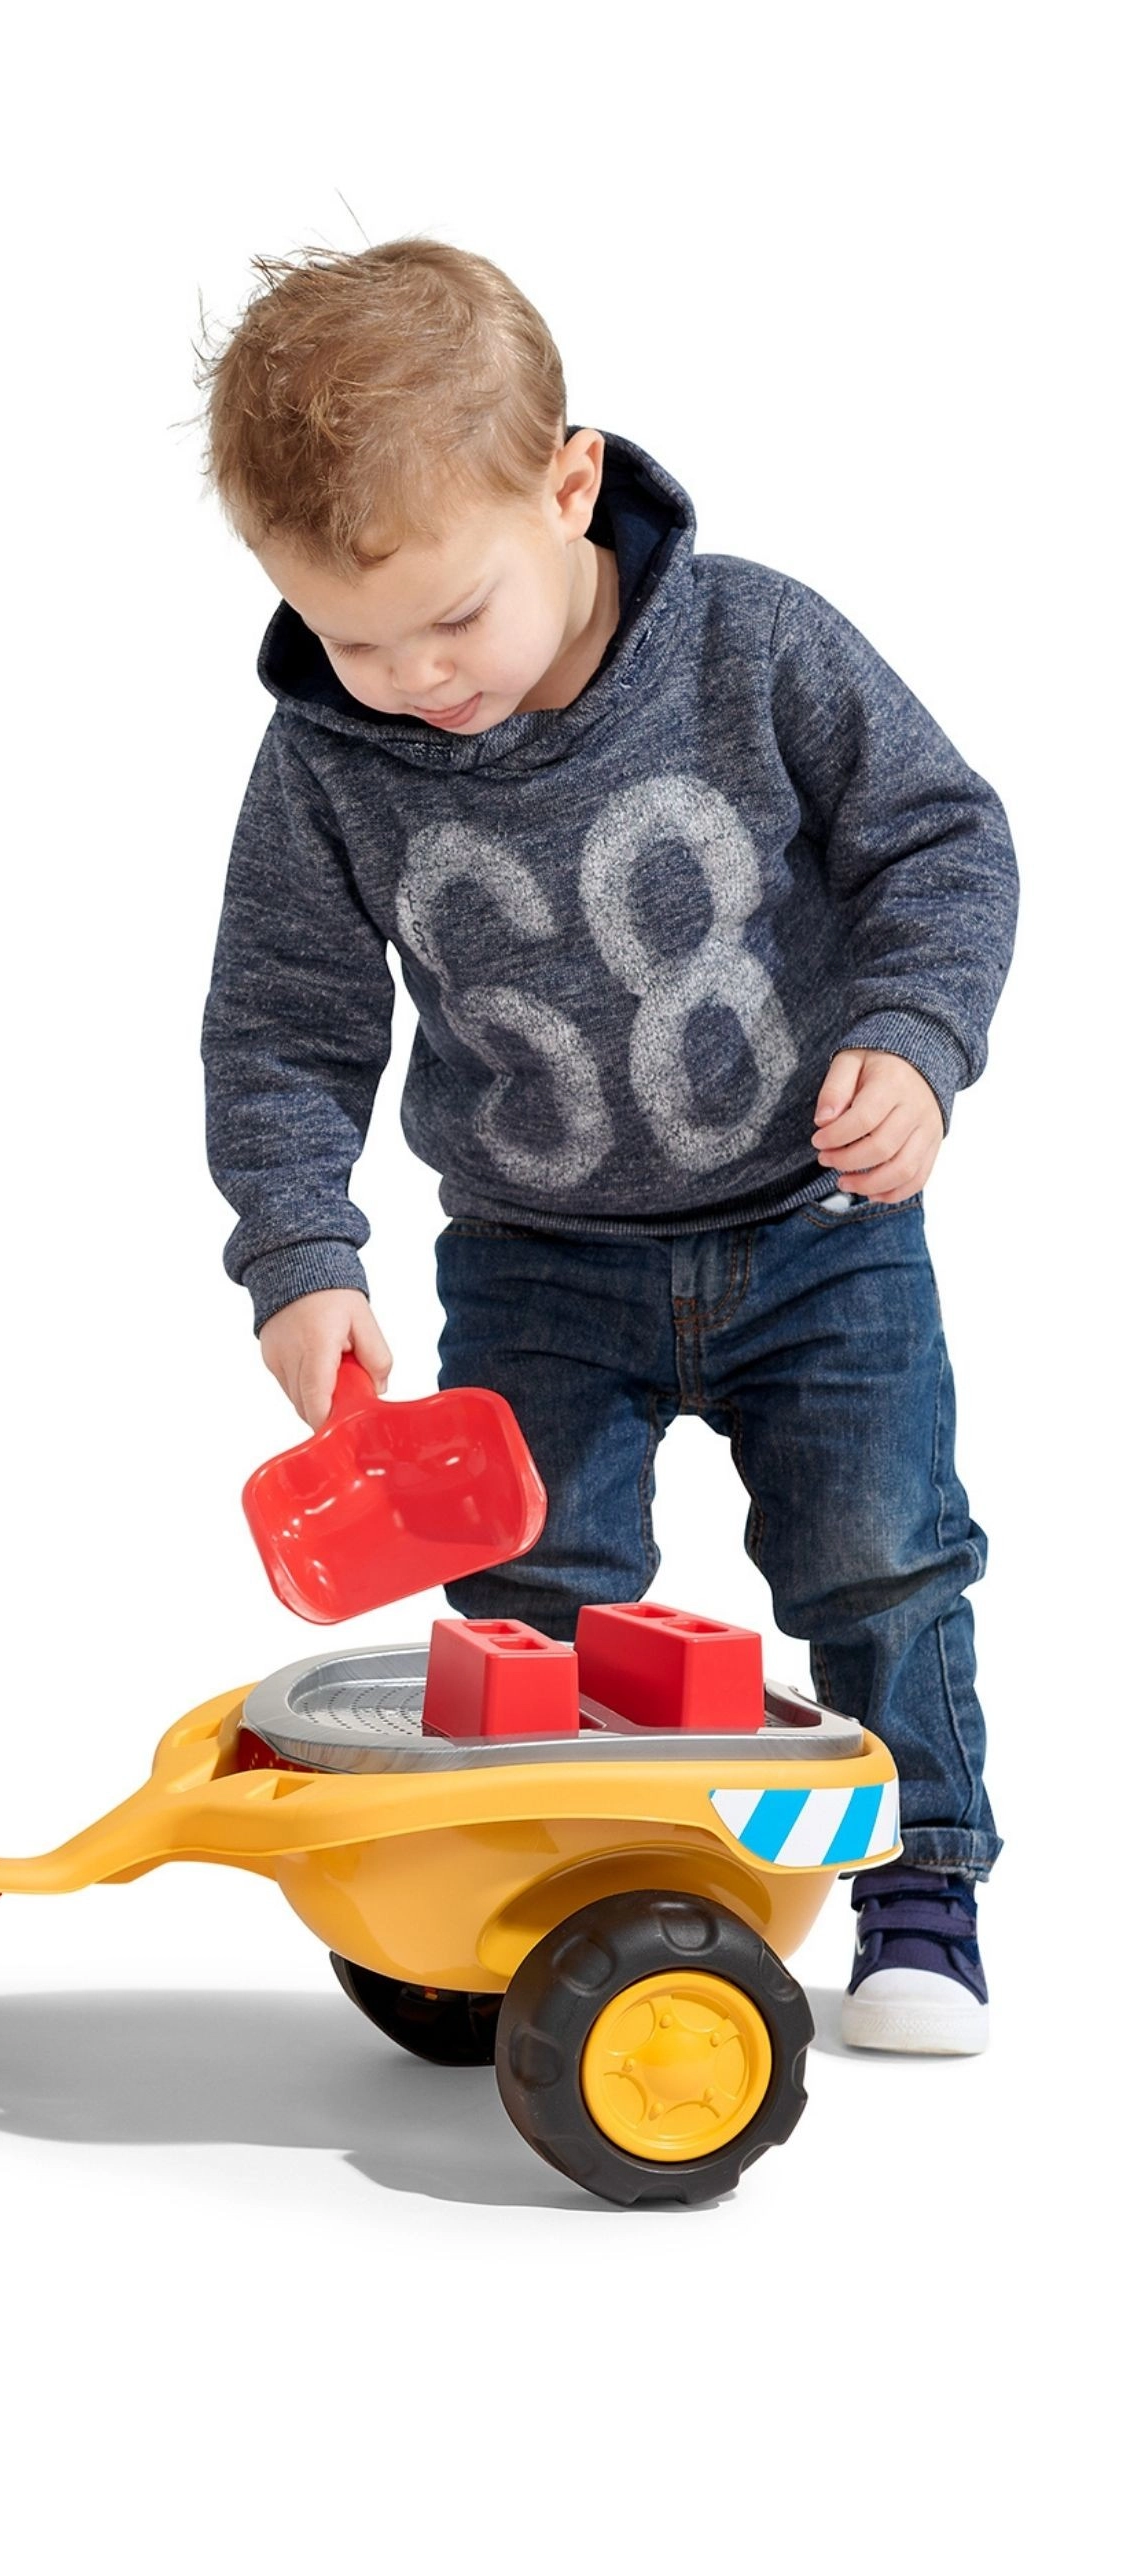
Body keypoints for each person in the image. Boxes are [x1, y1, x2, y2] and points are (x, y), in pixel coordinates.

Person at [198, 240, 1014, 2052]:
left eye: (451, 618)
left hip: (819, 1232)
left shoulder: (757, 647)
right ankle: (535, 1900)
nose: (410, 675)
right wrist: (300, 1253)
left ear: (569, 487)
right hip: (536, 1262)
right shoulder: (329, 759)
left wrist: (916, 1037)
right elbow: (281, 1027)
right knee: (530, 1603)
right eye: (351, 638)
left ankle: (921, 1883)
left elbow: (942, 841)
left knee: (883, 1561)